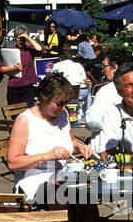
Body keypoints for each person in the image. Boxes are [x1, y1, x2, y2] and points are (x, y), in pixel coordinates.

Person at [6, 74, 93, 203]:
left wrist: (80, 147)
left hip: (61, 177)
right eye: (59, 103)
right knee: (73, 197)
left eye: (65, 103)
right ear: (44, 98)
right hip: (33, 181)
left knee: (88, 193)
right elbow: (13, 163)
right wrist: (47, 155)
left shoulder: (64, 114)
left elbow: (71, 143)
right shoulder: (25, 120)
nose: (63, 108)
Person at [84, 48, 127, 132]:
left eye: (104, 66)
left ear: (115, 67)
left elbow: (92, 122)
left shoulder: (106, 91)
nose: (102, 70)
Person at [0, 26, 43, 107]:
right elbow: (1, 69)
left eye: (23, 39)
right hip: (14, 86)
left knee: (28, 113)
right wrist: (13, 68)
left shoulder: (30, 50)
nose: (21, 41)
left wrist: (28, 37)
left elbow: (40, 49)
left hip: (28, 86)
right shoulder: (10, 51)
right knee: (14, 115)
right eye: (19, 38)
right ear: (15, 38)